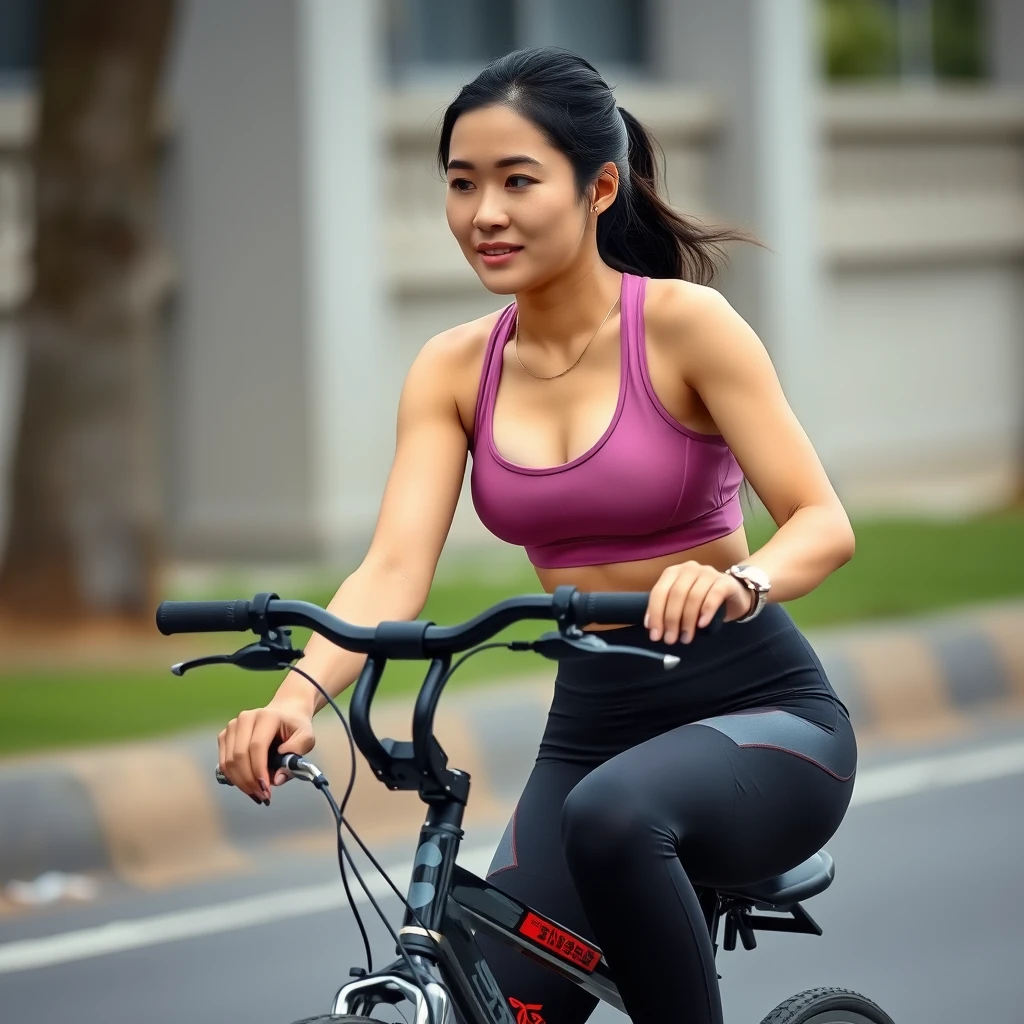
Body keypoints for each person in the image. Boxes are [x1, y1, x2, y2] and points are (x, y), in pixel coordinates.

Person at [218, 47, 857, 1024]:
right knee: (501, 1007)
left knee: (615, 812)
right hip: (591, 731)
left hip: (759, 715)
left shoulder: (688, 327)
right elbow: (392, 567)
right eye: (462, 183)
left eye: (518, 181)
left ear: (599, 187)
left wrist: (743, 580)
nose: (485, 213)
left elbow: (821, 524)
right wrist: (297, 695)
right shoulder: (451, 368)